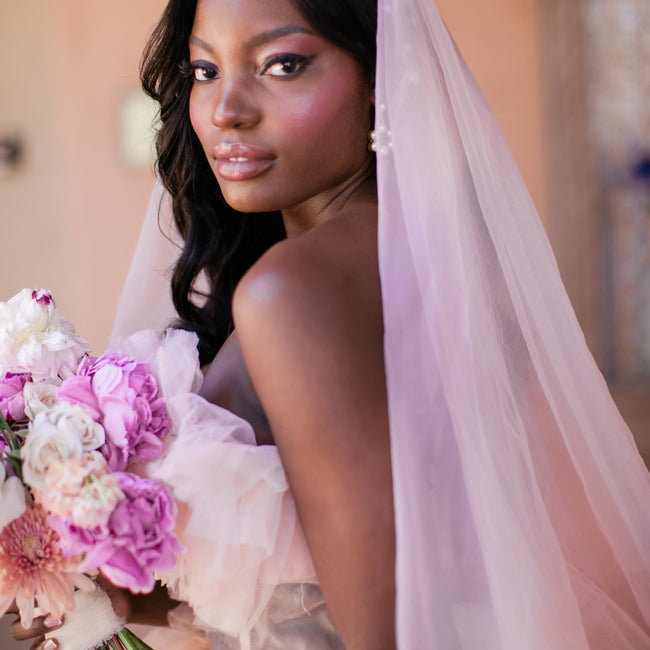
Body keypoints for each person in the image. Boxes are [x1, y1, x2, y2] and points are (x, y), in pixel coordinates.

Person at [12, 0, 650, 648]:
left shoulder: (289, 294)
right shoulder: (427, 255)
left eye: (283, 64)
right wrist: (112, 581)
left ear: (378, 76)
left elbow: (385, 633)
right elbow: (411, 572)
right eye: (205, 70)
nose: (228, 108)